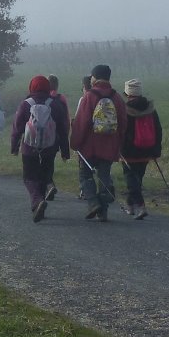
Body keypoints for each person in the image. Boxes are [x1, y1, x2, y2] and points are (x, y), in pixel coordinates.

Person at [70, 64, 127, 221]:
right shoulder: (116, 97)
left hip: (89, 145)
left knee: (85, 175)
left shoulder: (89, 96)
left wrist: (75, 143)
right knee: (104, 175)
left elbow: (82, 122)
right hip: (109, 145)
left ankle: (93, 202)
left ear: (94, 77)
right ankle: (104, 208)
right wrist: (119, 144)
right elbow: (123, 123)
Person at [10, 75, 70, 222]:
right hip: (49, 148)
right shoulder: (55, 104)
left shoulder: (26, 104)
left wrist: (14, 146)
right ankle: (40, 203)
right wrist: (65, 151)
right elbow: (63, 129)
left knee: (29, 177)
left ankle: (37, 201)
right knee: (44, 176)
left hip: (29, 148)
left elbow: (17, 128)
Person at [121, 78, 163, 220]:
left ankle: (140, 206)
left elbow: (122, 130)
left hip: (129, 151)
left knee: (131, 179)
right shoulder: (151, 109)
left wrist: (118, 148)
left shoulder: (125, 110)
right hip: (147, 150)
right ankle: (130, 205)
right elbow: (158, 129)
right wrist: (156, 149)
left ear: (127, 93)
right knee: (137, 177)